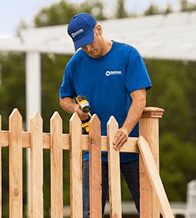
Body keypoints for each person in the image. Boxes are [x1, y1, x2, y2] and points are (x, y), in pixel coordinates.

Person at [59, 13, 152, 217]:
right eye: (82, 46)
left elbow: (140, 99)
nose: (88, 49)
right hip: (93, 149)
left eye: (89, 42)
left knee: (149, 209)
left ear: (98, 29)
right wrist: (75, 109)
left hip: (131, 146)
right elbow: (64, 98)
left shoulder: (128, 55)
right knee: (89, 213)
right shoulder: (75, 64)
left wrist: (125, 129)